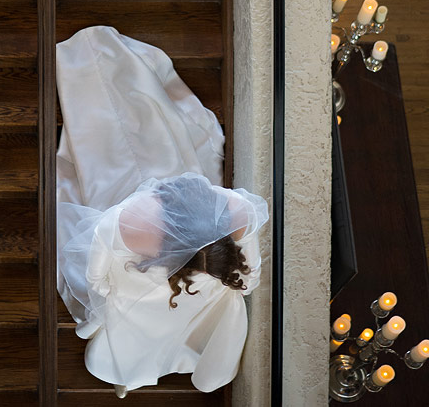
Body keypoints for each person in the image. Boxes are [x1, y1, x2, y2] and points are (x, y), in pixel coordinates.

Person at [55, 26, 269, 395]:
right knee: (137, 137)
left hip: (153, 230)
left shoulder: (132, 221)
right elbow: (249, 279)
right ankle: (97, 63)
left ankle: (96, 64)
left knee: (124, 142)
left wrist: (104, 299)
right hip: (175, 284)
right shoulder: (232, 214)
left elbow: (97, 275)